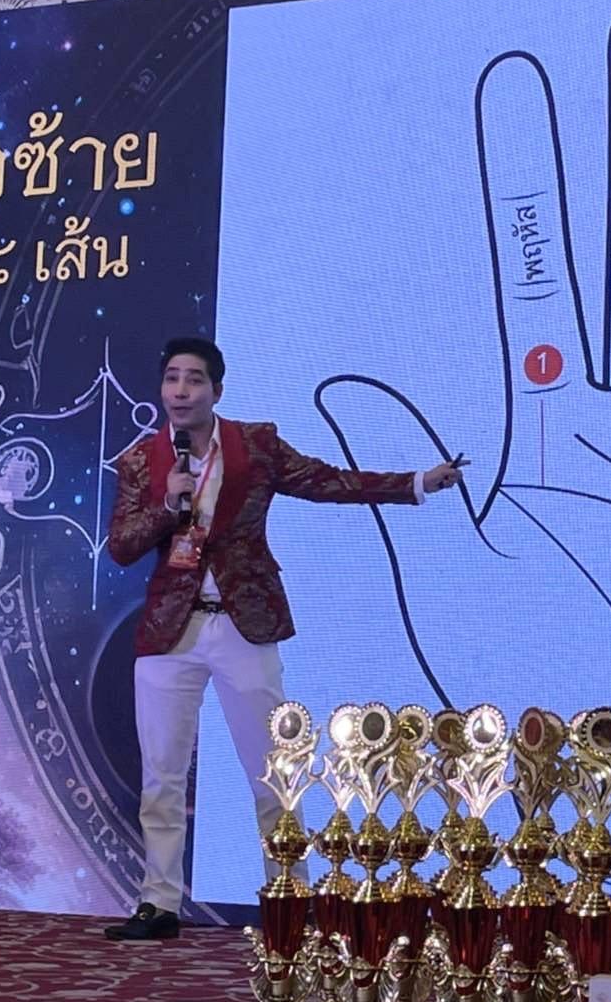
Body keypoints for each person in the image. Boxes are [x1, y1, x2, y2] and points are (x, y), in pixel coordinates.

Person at [103, 336, 463, 940]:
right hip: (170, 631)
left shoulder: (256, 445)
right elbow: (121, 546)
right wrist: (169, 504)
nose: (181, 391)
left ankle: (287, 898)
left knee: (273, 771)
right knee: (161, 775)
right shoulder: (142, 460)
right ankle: (158, 902)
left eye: (194, 379)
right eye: (172, 379)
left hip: (244, 622)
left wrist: (416, 483)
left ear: (217, 389)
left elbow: (326, 482)